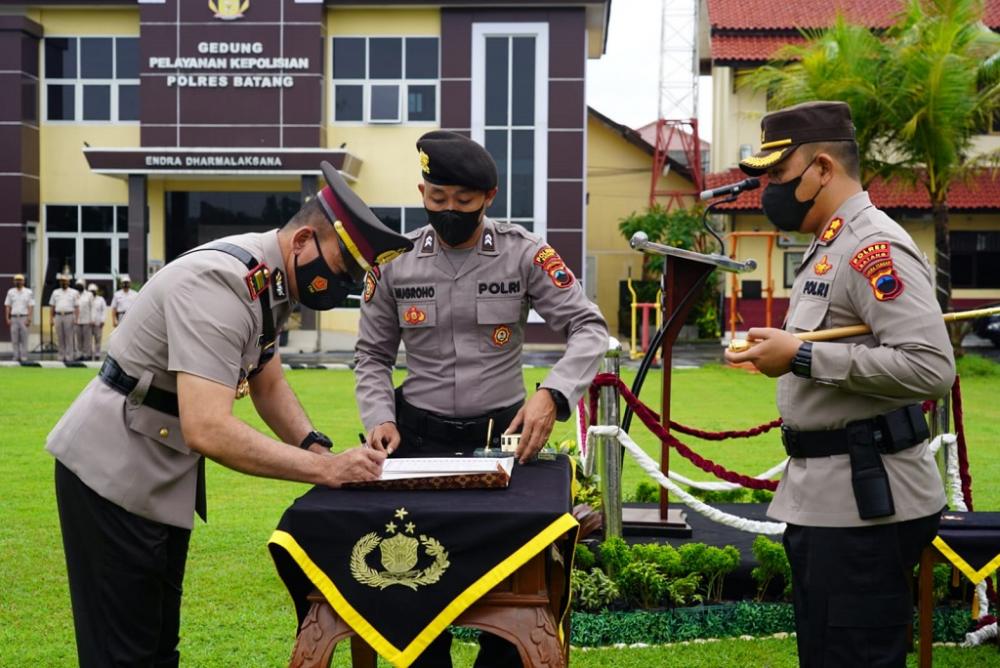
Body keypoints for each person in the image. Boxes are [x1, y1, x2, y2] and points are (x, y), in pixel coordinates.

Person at [46, 162, 413, 668]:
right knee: (122, 653)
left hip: (156, 467)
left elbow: (268, 382)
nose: (341, 284)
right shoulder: (222, 283)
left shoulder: (270, 282)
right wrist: (326, 471)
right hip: (113, 468)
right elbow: (208, 427)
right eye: (341, 268)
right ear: (304, 239)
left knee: (155, 647)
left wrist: (315, 446)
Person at [354, 131, 608, 667]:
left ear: (489, 196)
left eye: (464, 202)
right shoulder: (394, 263)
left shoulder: (524, 254)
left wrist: (552, 395)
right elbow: (372, 356)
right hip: (418, 446)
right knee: (414, 587)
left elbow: (588, 328)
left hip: (505, 446)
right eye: (437, 199)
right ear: (422, 191)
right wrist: (379, 417)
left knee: (515, 581)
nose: (449, 212)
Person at [724, 101, 954, 667]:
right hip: (829, 501)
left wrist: (801, 358)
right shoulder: (829, 244)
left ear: (822, 168)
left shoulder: (874, 247)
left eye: (778, 175)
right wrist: (782, 353)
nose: (769, 190)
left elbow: (930, 367)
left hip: (865, 507)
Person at [49, 273, 79, 363]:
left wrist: (76, 319)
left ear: (69, 282)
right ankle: (61, 356)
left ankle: (69, 357)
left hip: (69, 315)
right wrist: (51, 318)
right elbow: (52, 306)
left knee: (69, 337)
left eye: (65, 281)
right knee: (60, 337)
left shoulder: (74, 292)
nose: (63, 283)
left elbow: (77, 307)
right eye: (62, 281)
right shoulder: (55, 292)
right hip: (58, 316)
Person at [4, 273, 34, 362]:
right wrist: (7, 318)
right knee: (14, 338)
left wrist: (29, 318)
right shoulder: (10, 292)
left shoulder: (28, 292)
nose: (18, 282)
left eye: (20, 280)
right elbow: (7, 306)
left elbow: (31, 306)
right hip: (14, 317)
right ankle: (16, 356)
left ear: (23, 281)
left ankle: (24, 356)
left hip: (24, 317)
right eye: (17, 280)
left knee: (24, 338)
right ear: (14, 281)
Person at [74, 278, 93, 361]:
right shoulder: (74, 294)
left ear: (84, 285)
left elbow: (92, 308)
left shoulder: (89, 295)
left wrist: (92, 319)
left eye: (80, 285)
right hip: (77, 321)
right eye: (78, 285)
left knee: (87, 339)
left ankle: (87, 354)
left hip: (87, 320)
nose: (79, 286)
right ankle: (79, 354)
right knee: (78, 339)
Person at [88, 284, 107, 360]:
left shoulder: (101, 299)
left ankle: (97, 354)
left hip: (98, 323)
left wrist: (103, 320)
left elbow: (104, 310)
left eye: (94, 291)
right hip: (88, 323)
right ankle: (89, 354)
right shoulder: (87, 299)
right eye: (91, 291)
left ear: (96, 291)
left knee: (98, 339)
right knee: (88, 340)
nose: (92, 292)